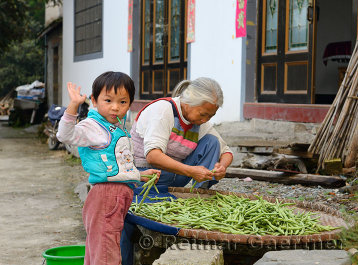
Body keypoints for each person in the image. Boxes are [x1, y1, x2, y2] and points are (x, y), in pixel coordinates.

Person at [121, 77, 233, 264]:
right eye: (203, 114)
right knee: (133, 214)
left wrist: (222, 166)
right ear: (188, 102)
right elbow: (153, 156)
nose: (205, 120)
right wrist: (190, 171)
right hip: (145, 176)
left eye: (210, 116)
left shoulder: (200, 119)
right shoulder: (162, 111)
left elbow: (226, 151)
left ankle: (200, 194)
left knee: (212, 142)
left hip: (175, 176)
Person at [56, 71, 160, 265]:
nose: (115, 107)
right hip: (107, 197)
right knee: (106, 253)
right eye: (108, 100)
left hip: (115, 196)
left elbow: (119, 164)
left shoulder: (116, 126)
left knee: (101, 248)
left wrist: (139, 174)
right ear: (94, 101)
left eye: (123, 102)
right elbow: (64, 135)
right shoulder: (93, 127)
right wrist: (73, 106)